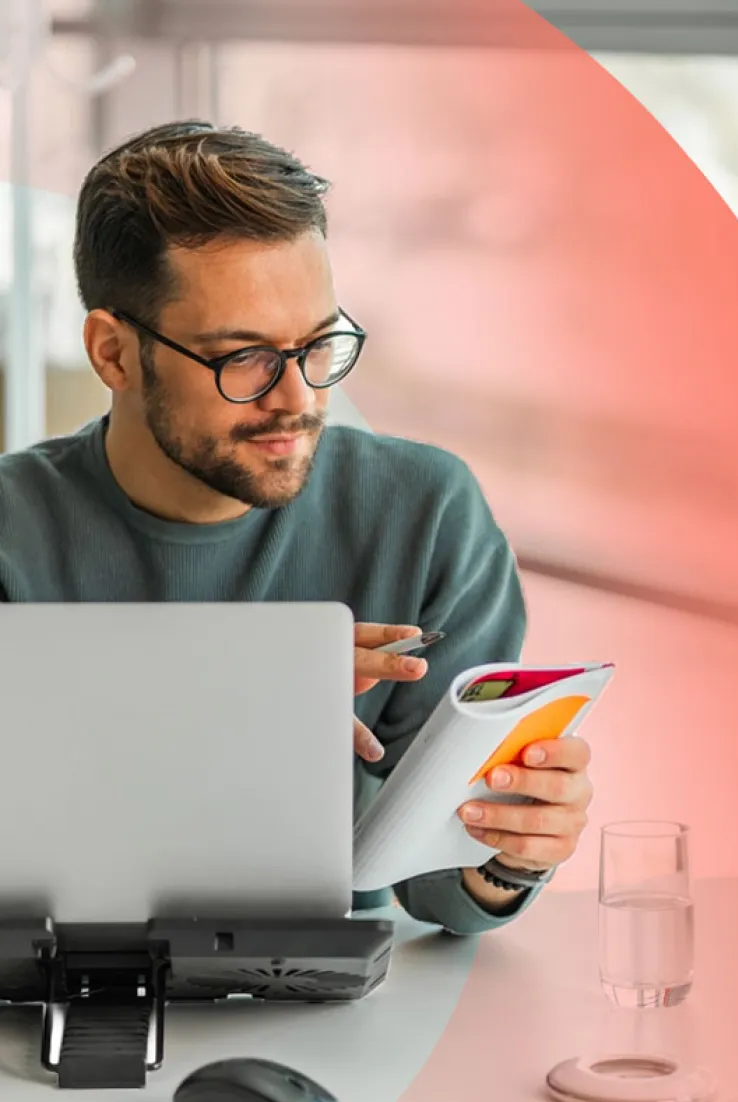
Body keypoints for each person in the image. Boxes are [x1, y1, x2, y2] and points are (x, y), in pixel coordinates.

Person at [0, 121, 593, 934]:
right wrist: (219, 697)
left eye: (318, 343)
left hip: (328, 1016)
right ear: (114, 354)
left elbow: (441, 887)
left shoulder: (423, 513)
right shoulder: (14, 531)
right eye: (242, 357)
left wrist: (508, 853)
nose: (299, 398)